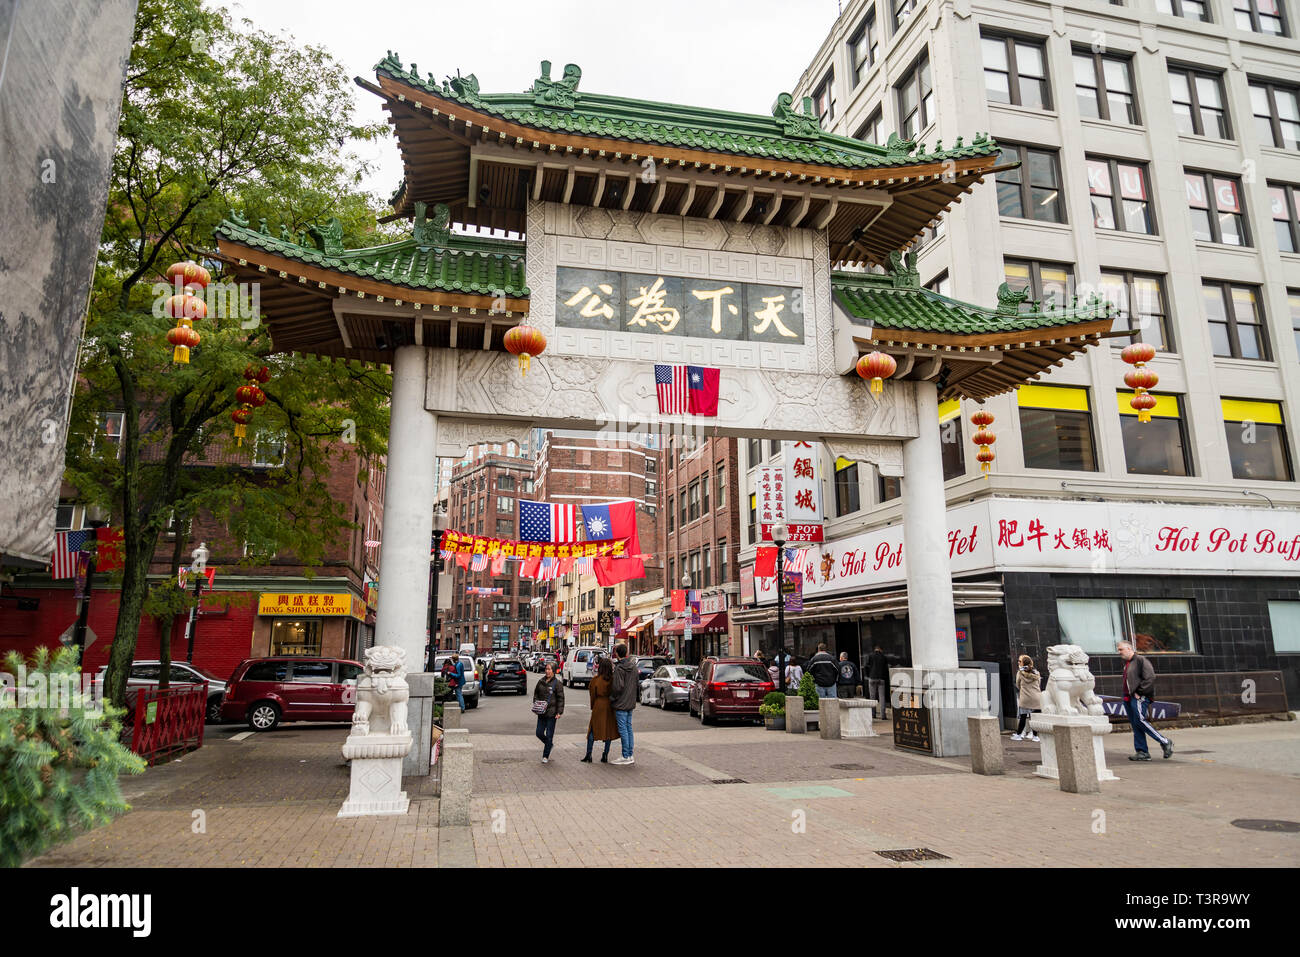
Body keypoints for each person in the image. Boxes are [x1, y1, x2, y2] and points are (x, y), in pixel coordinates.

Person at [1118, 639, 1173, 761]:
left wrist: (1139, 691)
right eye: (1118, 650)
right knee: (1136, 724)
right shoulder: (1128, 663)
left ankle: (1164, 741)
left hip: (1139, 697)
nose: (1119, 652)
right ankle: (1142, 752)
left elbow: (1150, 677)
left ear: (1129, 649)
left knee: (1140, 720)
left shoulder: (1140, 660)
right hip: (1129, 697)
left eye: (1121, 649)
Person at [582, 657, 618, 763]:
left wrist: (593, 705)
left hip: (599, 704)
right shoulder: (613, 679)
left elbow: (592, 694)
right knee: (608, 731)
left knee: (593, 730)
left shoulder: (595, 680)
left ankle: (589, 754)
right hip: (610, 706)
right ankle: (605, 755)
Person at [609, 643, 638, 766]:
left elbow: (617, 687)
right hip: (630, 701)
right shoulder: (633, 666)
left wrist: (612, 698)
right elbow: (636, 683)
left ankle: (626, 755)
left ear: (617, 654)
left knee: (623, 729)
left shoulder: (620, 668)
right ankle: (630, 754)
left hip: (621, 702)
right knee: (628, 728)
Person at [532, 661, 565, 763]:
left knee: (549, 734)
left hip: (551, 713)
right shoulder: (541, 681)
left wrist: (559, 712)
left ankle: (545, 756)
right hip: (541, 712)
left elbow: (561, 699)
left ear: (554, 671)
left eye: (549, 669)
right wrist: (536, 705)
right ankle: (549, 744)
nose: (547, 671)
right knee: (539, 733)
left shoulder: (557, 684)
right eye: (546, 669)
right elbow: (536, 694)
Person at [1011, 655, 1042, 741]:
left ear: (1023, 663)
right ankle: (1035, 736)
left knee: (1023, 717)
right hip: (1036, 698)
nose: (1018, 663)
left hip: (1025, 698)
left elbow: (1017, 684)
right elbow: (1038, 684)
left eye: (1019, 661)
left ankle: (1018, 735)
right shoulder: (1037, 673)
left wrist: (1024, 690)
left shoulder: (1020, 673)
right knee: (1035, 718)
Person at [865, 646, 890, 719]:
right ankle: (883, 716)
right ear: (880, 650)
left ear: (875, 649)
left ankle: (873, 714)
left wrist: (868, 675)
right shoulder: (884, 657)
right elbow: (886, 668)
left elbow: (866, 666)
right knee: (882, 697)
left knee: (872, 697)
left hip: (872, 678)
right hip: (881, 678)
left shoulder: (870, 656)